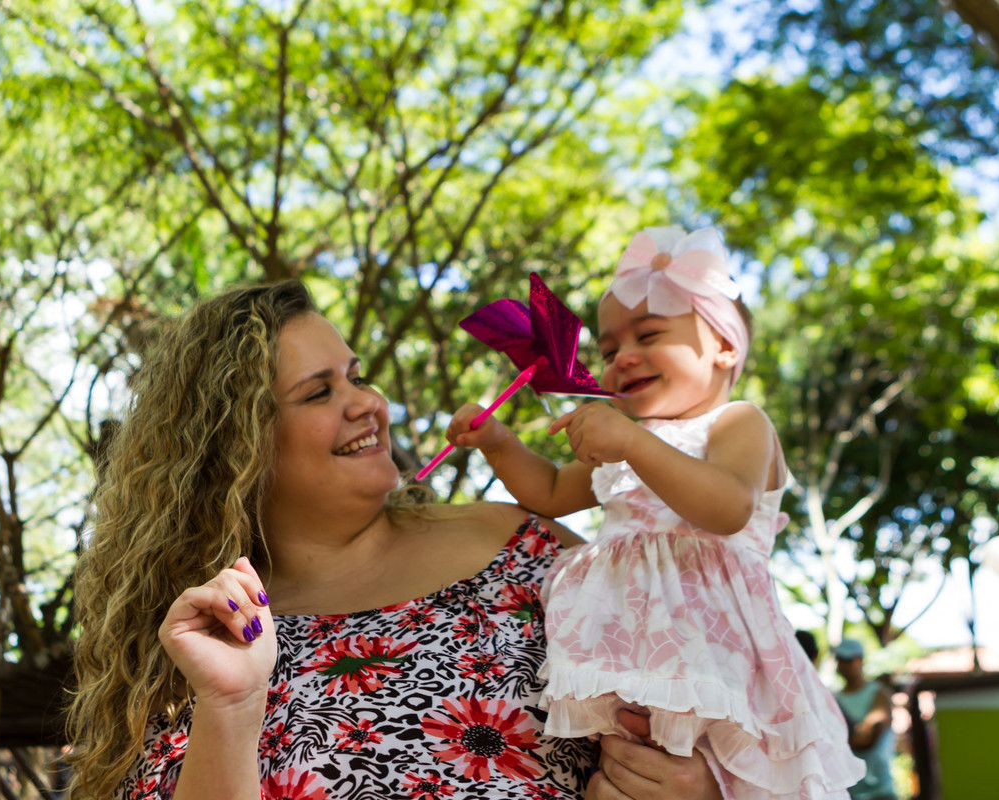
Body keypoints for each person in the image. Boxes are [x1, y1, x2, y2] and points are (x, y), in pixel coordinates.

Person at [65, 280, 726, 800]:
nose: (366, 403)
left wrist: (703, 790)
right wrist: (231, 706)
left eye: (356, 375)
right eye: (318, 392)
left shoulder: (525, 551)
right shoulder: (207, 645)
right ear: (240, 447)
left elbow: (713, 711)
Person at [446, 226, 865, 799]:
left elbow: (728, 507)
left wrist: (635, 444)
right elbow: (547, 490)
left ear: (724, 346)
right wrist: (498, 442)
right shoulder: (629, 444)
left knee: (720, 771)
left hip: (714, 654)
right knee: (625, 774)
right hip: (628, 647)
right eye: (610, 349)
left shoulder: (736, 422)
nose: (623, 359)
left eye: (649, 334)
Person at [833, 639, 898, 800]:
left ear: (859, 660)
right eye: (839, 659)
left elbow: (866, 739)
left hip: (879, 790)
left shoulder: (878, 693)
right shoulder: (834, 699)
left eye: (847, 660)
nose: (843, 665)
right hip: (849, 791)